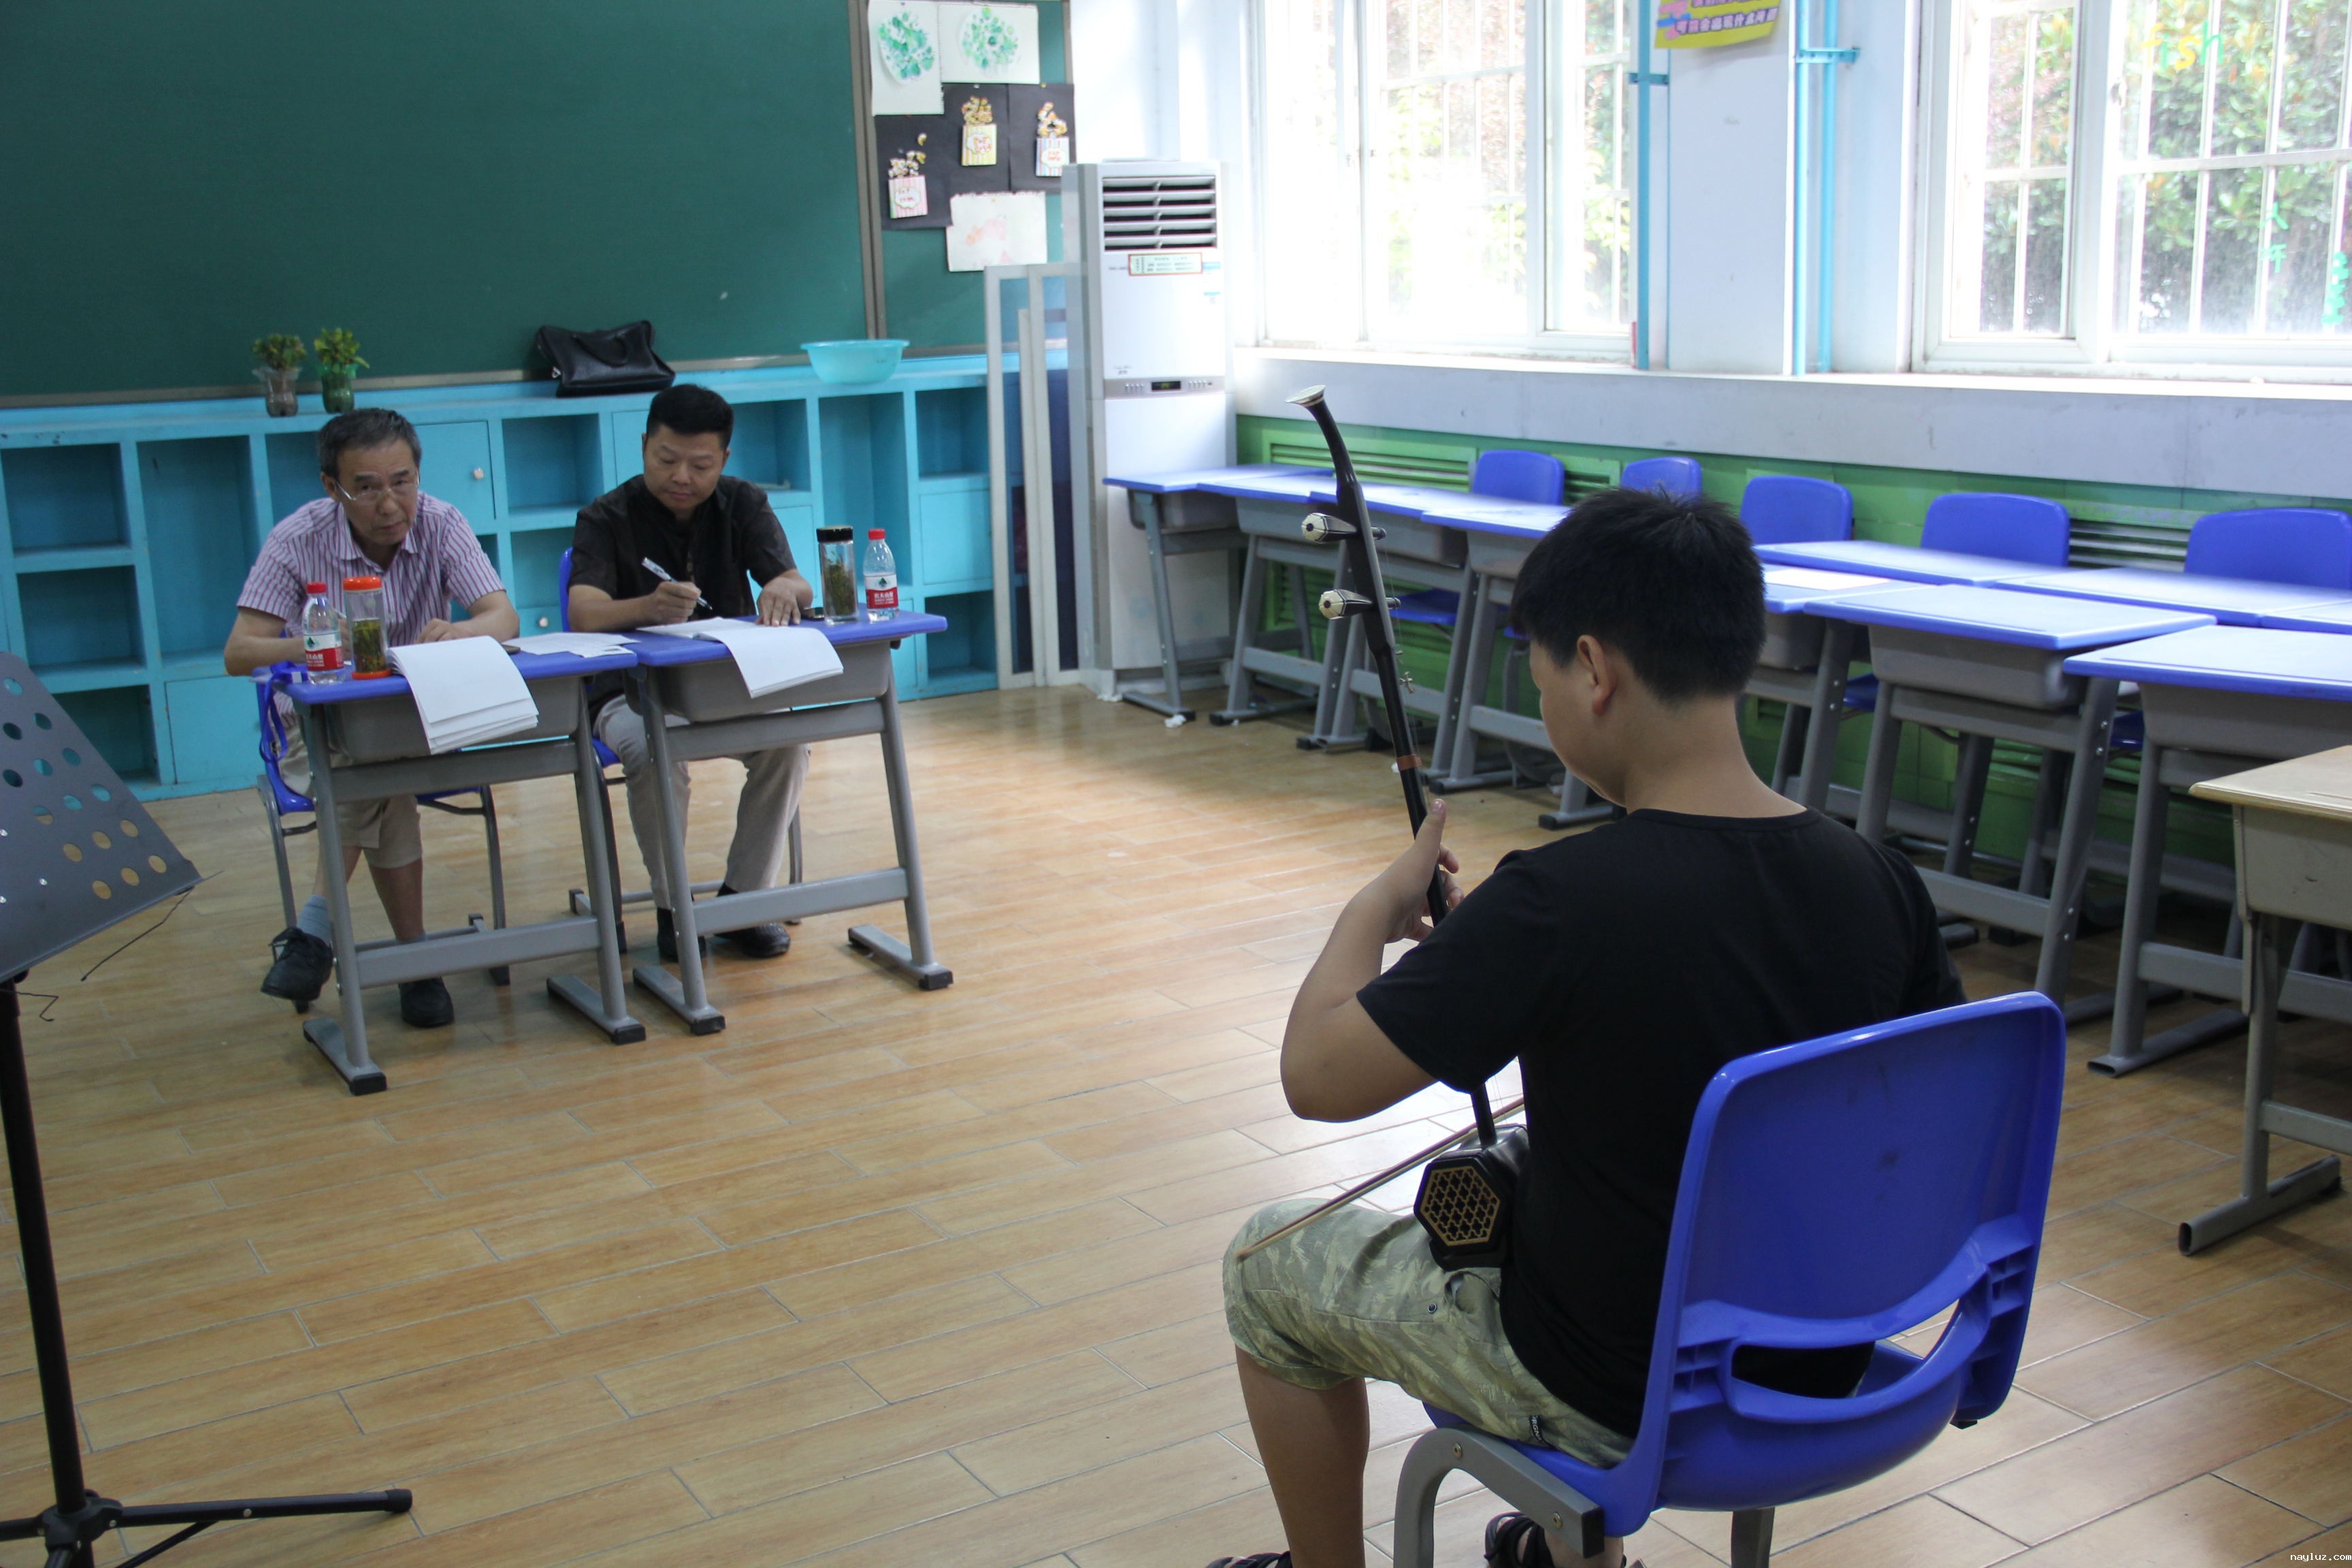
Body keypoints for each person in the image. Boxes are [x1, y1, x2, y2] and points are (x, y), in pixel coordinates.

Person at [1209, 488, 1963, 1568]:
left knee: (1267, 1264)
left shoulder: (1557, 904)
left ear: (1595, 671)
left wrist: (1372, 911)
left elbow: (1317, 1077)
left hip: (1614, 1388)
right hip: (1823, 1360)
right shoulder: (1881, 883)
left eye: (1542, 674)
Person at [227, 408, 519, 1029]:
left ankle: (316, 932)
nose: (390, 504)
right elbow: (240, 652)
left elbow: (503, 617)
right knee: (374, 768)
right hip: (318, 732)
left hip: (421, 720)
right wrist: (319, 644)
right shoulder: (297, 539)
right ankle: (415, 962)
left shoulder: (441, 522)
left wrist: (463, 631)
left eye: (402, 481)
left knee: (378, 760)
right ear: (332, 488)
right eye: (366, 487)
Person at [567, 384, 815, 963]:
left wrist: (785, 587)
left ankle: (744, 900)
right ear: (644, 446)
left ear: (723, 459)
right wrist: (646, 609)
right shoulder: (605, 516)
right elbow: (583, 611)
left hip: (723, 684)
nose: (681, 476)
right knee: (651, 749)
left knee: (788, 741)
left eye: (700, 465)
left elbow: (796, 581)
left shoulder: (742, 503)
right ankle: (673, 908)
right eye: (666, 459)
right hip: (629, 694)